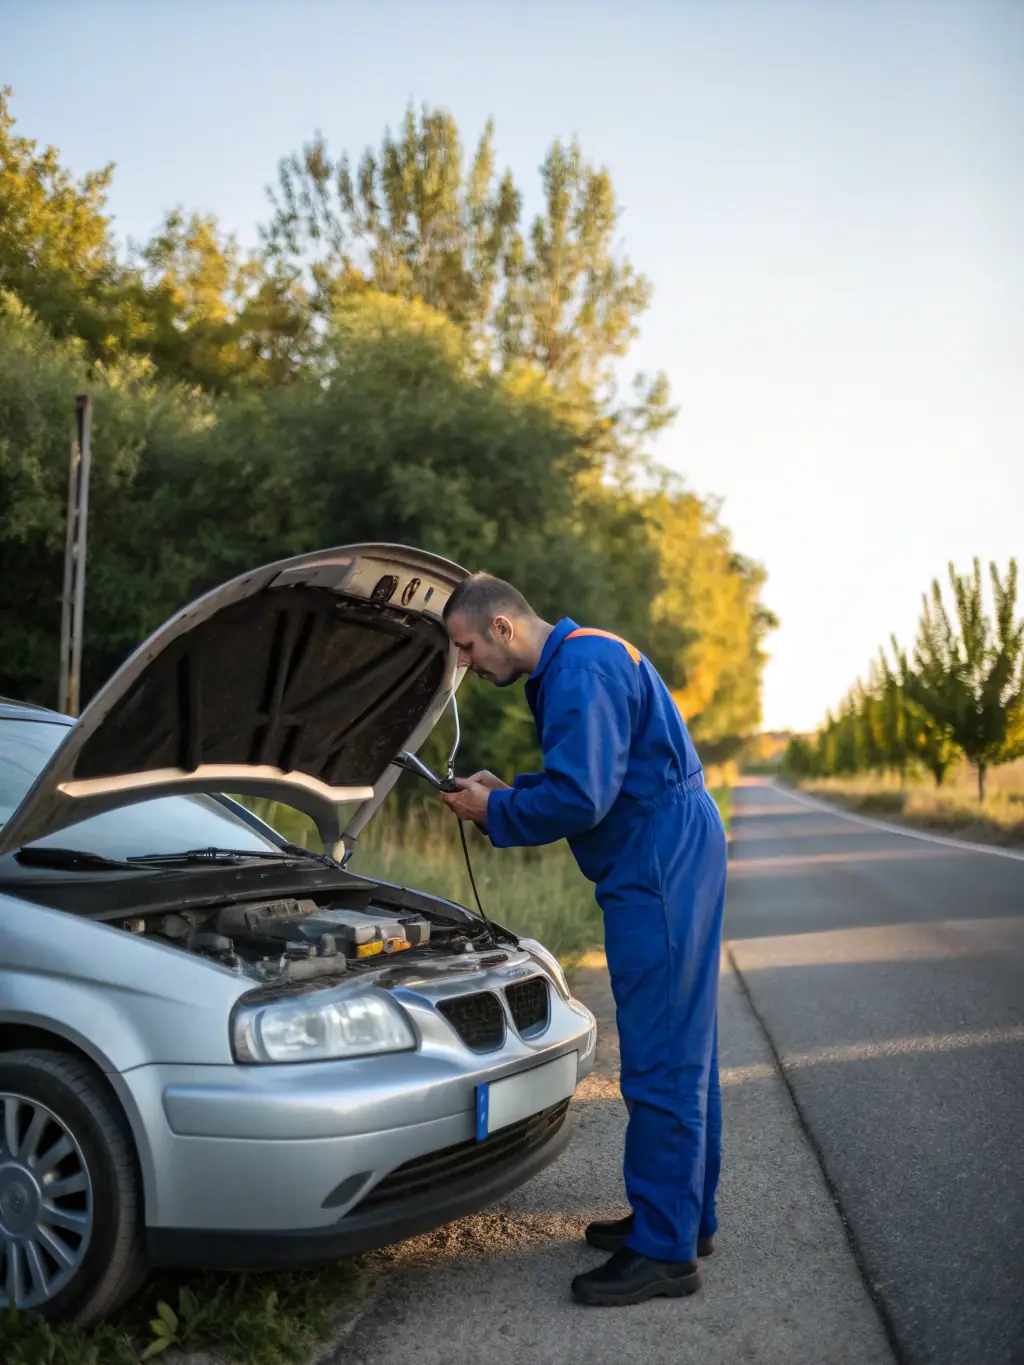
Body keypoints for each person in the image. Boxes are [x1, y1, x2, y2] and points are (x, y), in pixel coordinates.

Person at [438, 573, 728, 1308]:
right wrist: (507, 791)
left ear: (502, 625)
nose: (465, 664)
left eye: (466, 646)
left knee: (663, 1054)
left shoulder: (579, 670)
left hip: (658, 860)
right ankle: (683, 1219)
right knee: (684, 1044)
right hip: (669, 846)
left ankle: (664, 1252)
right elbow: (592, 774)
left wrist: (495, 812)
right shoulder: (581, 657)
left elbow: (581, 798)